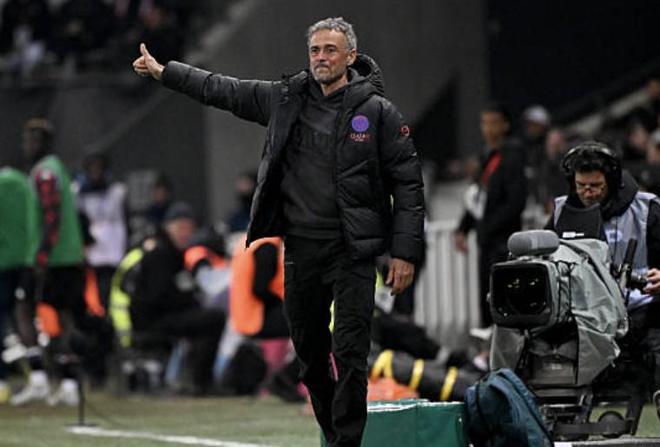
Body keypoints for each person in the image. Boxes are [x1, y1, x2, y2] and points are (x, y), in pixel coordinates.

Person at [133, 16, 424, 446]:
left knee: (350, 352)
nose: (321, 57)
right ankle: (335, 434)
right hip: (301, 249)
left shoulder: (378, 113)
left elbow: (409, 184)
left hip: (352, 251)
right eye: (315, 50)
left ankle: (346, 443)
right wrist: (166, 73)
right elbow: (223, 89)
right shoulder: (286, 99)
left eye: (330, 50)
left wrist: (404, 252)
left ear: (350, 57)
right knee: (309, 357)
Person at [546, 140, 660, 412]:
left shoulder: (647, 209)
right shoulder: (561, 212)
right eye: (581, 185)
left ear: (612, 181)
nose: (588, 192)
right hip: (584, 319)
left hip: (643, 312)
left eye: (596, 186)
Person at [12, 118, 87, 406]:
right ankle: (69, 383)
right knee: (65, 315)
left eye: (31, 141)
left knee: (23, 308)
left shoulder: (44, 172)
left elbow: (51, 215)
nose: (26, 147)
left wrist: (41, 256)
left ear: (43, 143)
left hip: (50, 257)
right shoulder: (59, 168)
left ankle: (39, 378)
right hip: (70, 255)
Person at [131, 202, 225, 395]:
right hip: (152, 319)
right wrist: (188, 300)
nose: (185, 233)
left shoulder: (177, 253)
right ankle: (200, 381)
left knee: (207, 320)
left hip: (166, 314)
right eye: (180, 227)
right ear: (168, 227)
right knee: (213, 319)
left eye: (189, 228)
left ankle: (198, 379)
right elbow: (160, 296)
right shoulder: (159, 253)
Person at [454, 103, 527, 328]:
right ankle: (487, 342)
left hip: (503, 242)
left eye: (493, 123)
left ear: (505, 125)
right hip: (486, 241)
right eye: (484, 123)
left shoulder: (512, 156)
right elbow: (477, 196)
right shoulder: (487, 156)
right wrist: (463, 228)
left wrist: (488, 226)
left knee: (502, 297)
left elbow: (515, 202)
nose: (488, 128)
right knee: (487, 297)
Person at [0, 165, 38, 403]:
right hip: (27, 261)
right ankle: (40, 375)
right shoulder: (23, 183)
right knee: (25, 316)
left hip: (3, 262)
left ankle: (2, 380)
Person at [74, 151, 127, 311]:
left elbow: (126, 220)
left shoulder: (118, 192)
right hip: (92, 253)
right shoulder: (78, 193)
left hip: (115, 251)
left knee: (115, 291)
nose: (96, 172)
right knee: (94, 294)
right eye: (92, 168)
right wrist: (84, 241)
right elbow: (79, 220)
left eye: (99, 167)